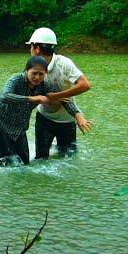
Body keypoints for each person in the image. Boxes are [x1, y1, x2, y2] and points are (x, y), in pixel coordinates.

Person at [0, 56, 83, 166]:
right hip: (0, 121)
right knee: (8, 160)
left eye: (41, 74)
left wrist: (77, 114)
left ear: (45, 74)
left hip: (19, 126)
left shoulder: (44, 85)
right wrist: (33, 98)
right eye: (34, 73)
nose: (37, 77)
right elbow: (5, 96)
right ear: (27, 71)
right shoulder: (16, 79)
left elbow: (63, 99)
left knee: (24, 163)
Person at [25, 27, 93, 159]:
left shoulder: (64, 64)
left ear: (37, 49)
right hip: (44, 118)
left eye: (31, 47)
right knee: (41, 159)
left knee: (67, 159)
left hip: (66, 120)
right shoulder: (32, 68)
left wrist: (58, 96)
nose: (30, 50)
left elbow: (85, 84)